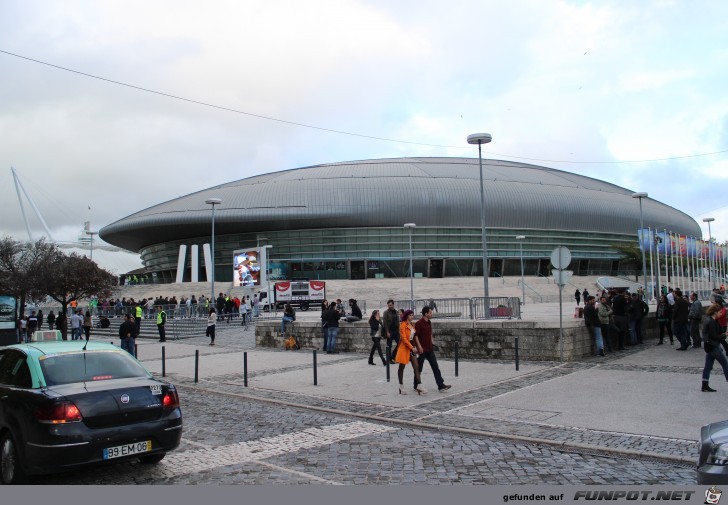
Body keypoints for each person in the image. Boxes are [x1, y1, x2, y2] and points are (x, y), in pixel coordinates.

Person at [413, 306, 451, 391]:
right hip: (422, 349)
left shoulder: (429, 322)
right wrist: (419, 347)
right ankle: (416, 384)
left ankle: (440, 385)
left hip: (430, 349)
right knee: (419, 368)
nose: (431, 314)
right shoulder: (419, 323)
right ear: (426, 314)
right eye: (430, 313)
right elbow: (415, 336)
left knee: (435, 367)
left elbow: (430, 334)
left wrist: (432, 342)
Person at [394, 310, 425, 395]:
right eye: (410, 315)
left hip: (412, 349)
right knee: (401, 367)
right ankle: (401, 386)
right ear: (407, 316)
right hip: (405, 349)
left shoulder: (412, 325)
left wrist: (417, 346)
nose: (412, 317)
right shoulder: (402, 325)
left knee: (416, 367)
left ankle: (419, 385)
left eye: (412, 315)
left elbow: (414, 337)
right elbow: (404, 339)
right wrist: (412, 347)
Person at [701, 304, 728, 392]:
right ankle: (705, 385)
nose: (721, 314)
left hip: (710, 346)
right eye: (720, 312)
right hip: (713, 346)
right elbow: (714, 336)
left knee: (708, 366)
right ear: (715, 312)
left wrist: (724, 333)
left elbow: (720, 331)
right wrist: (724, 335)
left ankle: (704, 385)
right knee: (725, 364)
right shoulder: (711, 321)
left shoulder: (713, 320)